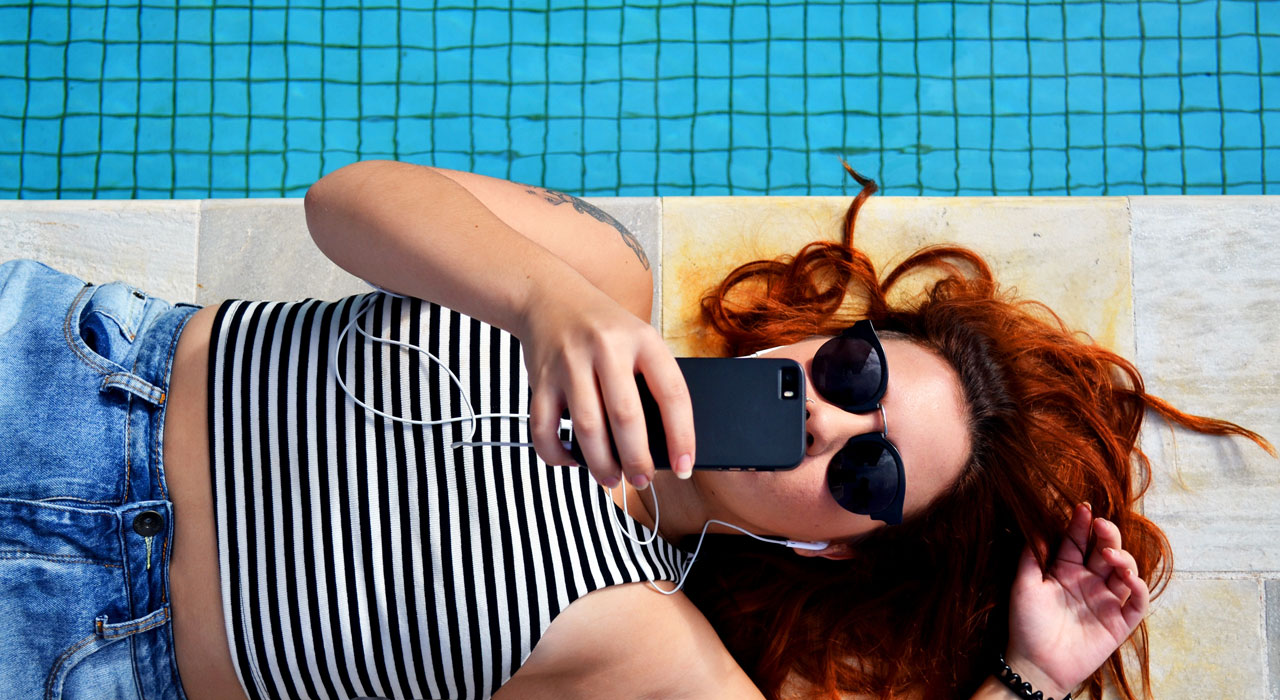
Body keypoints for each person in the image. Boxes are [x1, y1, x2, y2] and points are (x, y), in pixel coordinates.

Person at [0, 160, 1270, 700]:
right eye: (854, 370)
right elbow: (342, 203)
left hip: (74, 645)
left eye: (869, 470)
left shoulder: (653, 648)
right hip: (71, 374)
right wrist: (542, 302)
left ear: (837, 547)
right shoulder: (601, 276)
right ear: (816, 337)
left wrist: (1030, 678)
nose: (827, 419)